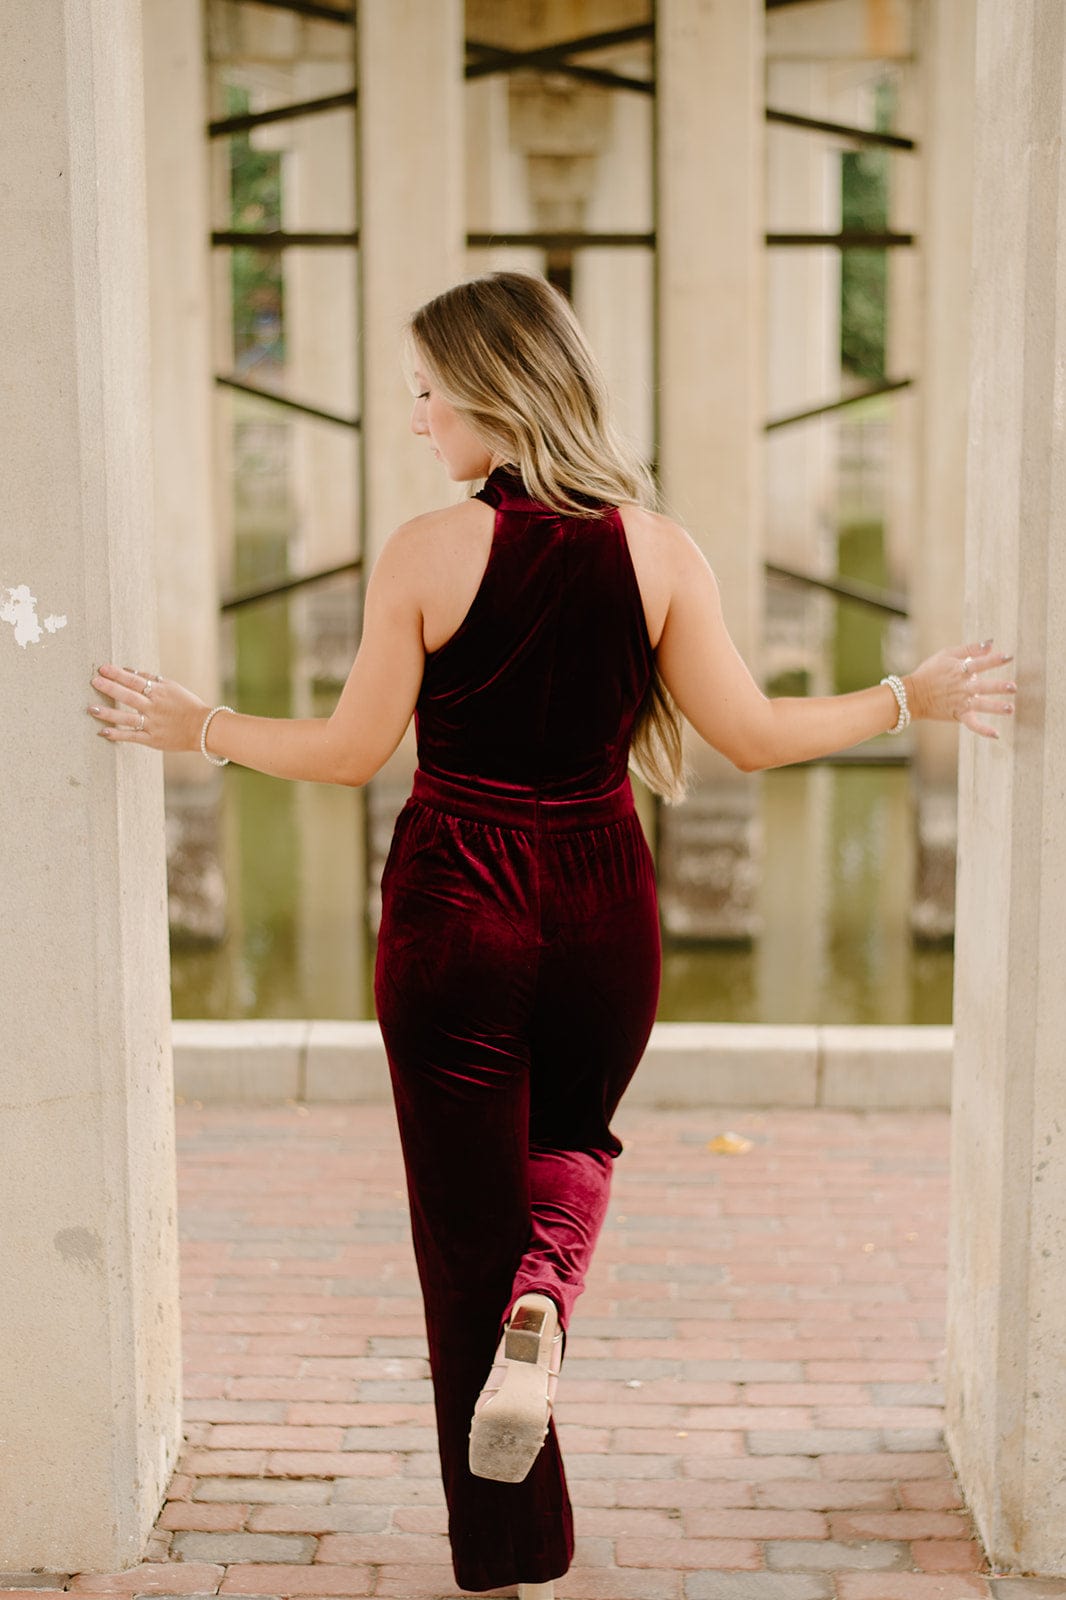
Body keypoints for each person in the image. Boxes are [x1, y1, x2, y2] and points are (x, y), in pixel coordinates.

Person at [88, 270, 1016, 1597]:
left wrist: (200, 728)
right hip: (600, 899)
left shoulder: (423, 552)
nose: (416, 420)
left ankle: (511, 1558)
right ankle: (550, 1298)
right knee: (571, 1145)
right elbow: (748, 739)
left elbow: (352, 752)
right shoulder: (659, 550)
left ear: (490, 392)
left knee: (463, 1233)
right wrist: (901, 694)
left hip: (454, 898)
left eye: (426, 391)